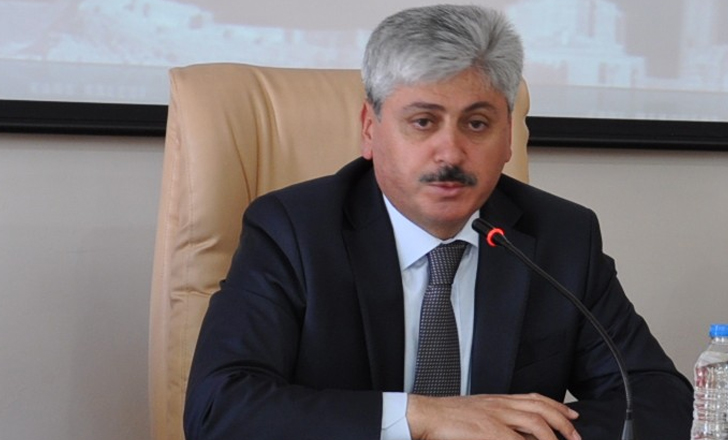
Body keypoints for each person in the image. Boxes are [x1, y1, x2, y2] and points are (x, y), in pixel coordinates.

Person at [183, 4, 693, 440]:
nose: (450, 152)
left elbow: (659, 399)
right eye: (423, 122)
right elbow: (219, 407)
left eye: (477, 123)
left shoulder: (561, 238)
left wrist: (502, 431)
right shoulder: (292, 232)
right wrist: (420, 416)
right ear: (369, 130)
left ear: (509, 137)